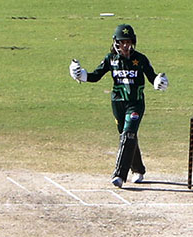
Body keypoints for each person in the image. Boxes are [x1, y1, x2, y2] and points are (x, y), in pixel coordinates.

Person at [69, 24, 168, 188]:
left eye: (128, 42)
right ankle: (138, 169)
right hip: (117, 103)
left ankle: (119, 175)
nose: (125, 46)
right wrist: (80, 74)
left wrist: (159, 82)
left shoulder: (140, 59)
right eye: (122, 42)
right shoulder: (110, 59)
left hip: (135, 103)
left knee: (129, 134)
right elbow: (95, 76)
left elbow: (152, 77)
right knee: (127, 135)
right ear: (116, 42)